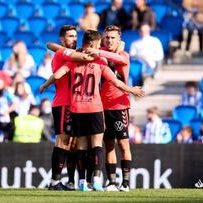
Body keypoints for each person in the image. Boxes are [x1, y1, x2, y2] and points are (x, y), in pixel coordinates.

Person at [40, 30, 145, 192]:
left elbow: (58, 72)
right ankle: (94, 181)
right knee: (95, 145)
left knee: (79, 145)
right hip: (95, 107)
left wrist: (45, 85)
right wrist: (132, 89)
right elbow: (116, 82)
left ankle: (81, 182)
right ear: (95, 45)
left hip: (76, 107)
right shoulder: (99, 61)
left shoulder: (73, 60)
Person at [40, 25, 100, 191]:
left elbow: (49, 45)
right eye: (70, 36)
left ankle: (68, 181)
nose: (74, 39)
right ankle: (54, 182)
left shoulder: (68, 52)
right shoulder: (65, 53)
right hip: (64, 103)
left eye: (75, 36)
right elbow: (86, 58)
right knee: (63, 141)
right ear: (62, 39)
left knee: (72, 143)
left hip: (74, 104)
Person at [98, 25, 132, 192]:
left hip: (120, 105)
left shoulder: (124, 55)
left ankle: (125, 183)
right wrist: (99, 50)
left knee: (123, 145)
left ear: (119, 40)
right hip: (102, 107)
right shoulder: (101, 54)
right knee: (108, 145)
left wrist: (100, 51)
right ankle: (111, 182)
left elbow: (121, 60)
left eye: (113, 38)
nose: (109, 40)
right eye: (107, 37)